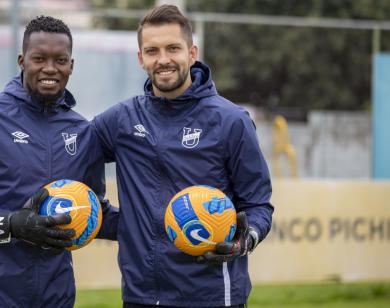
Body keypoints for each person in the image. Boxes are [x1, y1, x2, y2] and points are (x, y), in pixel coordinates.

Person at [91, 5, 273, 307]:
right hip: (141, 296)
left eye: (173, 48)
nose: (163, 60)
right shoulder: (120, 120)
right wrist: (118, 222)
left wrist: (246, 239)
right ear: (140, 59)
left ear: (191, 53)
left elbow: (258, 205)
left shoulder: (231, 121)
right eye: (152, 51)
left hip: (212, 296)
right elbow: (69, 148)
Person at [0, 16, 118, 308]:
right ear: (22, 60)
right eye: (39, 58)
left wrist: (168, 226)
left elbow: (96, 213)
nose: (50, 69)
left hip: (56, 298)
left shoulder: (82, 132)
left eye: (60, 60)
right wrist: (8, 223)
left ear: (72, 65)